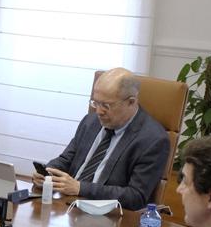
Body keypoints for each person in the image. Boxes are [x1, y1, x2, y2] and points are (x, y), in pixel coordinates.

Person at [36, 68, 170, 211]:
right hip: (67, 207)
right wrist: (47, 174)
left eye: (106, 105)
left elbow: (135, 196)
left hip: (108, 217)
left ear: (131, 102)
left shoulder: (153, 140)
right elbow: (66, 159)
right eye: (95, 103)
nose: (99, 111)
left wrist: (81, 188)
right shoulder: (90, 122)